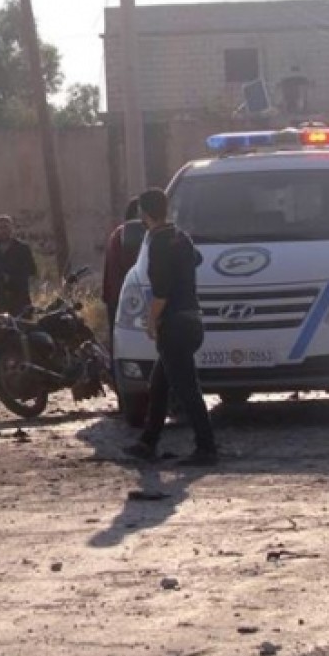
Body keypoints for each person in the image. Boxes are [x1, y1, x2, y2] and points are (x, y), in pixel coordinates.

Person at [123, 188, 218, 467]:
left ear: (144, 213)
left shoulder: (158, 242)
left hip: (174, 325)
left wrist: (151, 321)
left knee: (188, 389)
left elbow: (161, 292)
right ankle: (147, 443)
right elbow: (196, 260)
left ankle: (206, 447)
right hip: (192, 320)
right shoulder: (180, 237)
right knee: (160, 385)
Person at [101, 198, 147, 354]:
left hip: (113, 295)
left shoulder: (118, 233)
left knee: (117, 340)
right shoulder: (132, 235)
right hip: (126, 296)